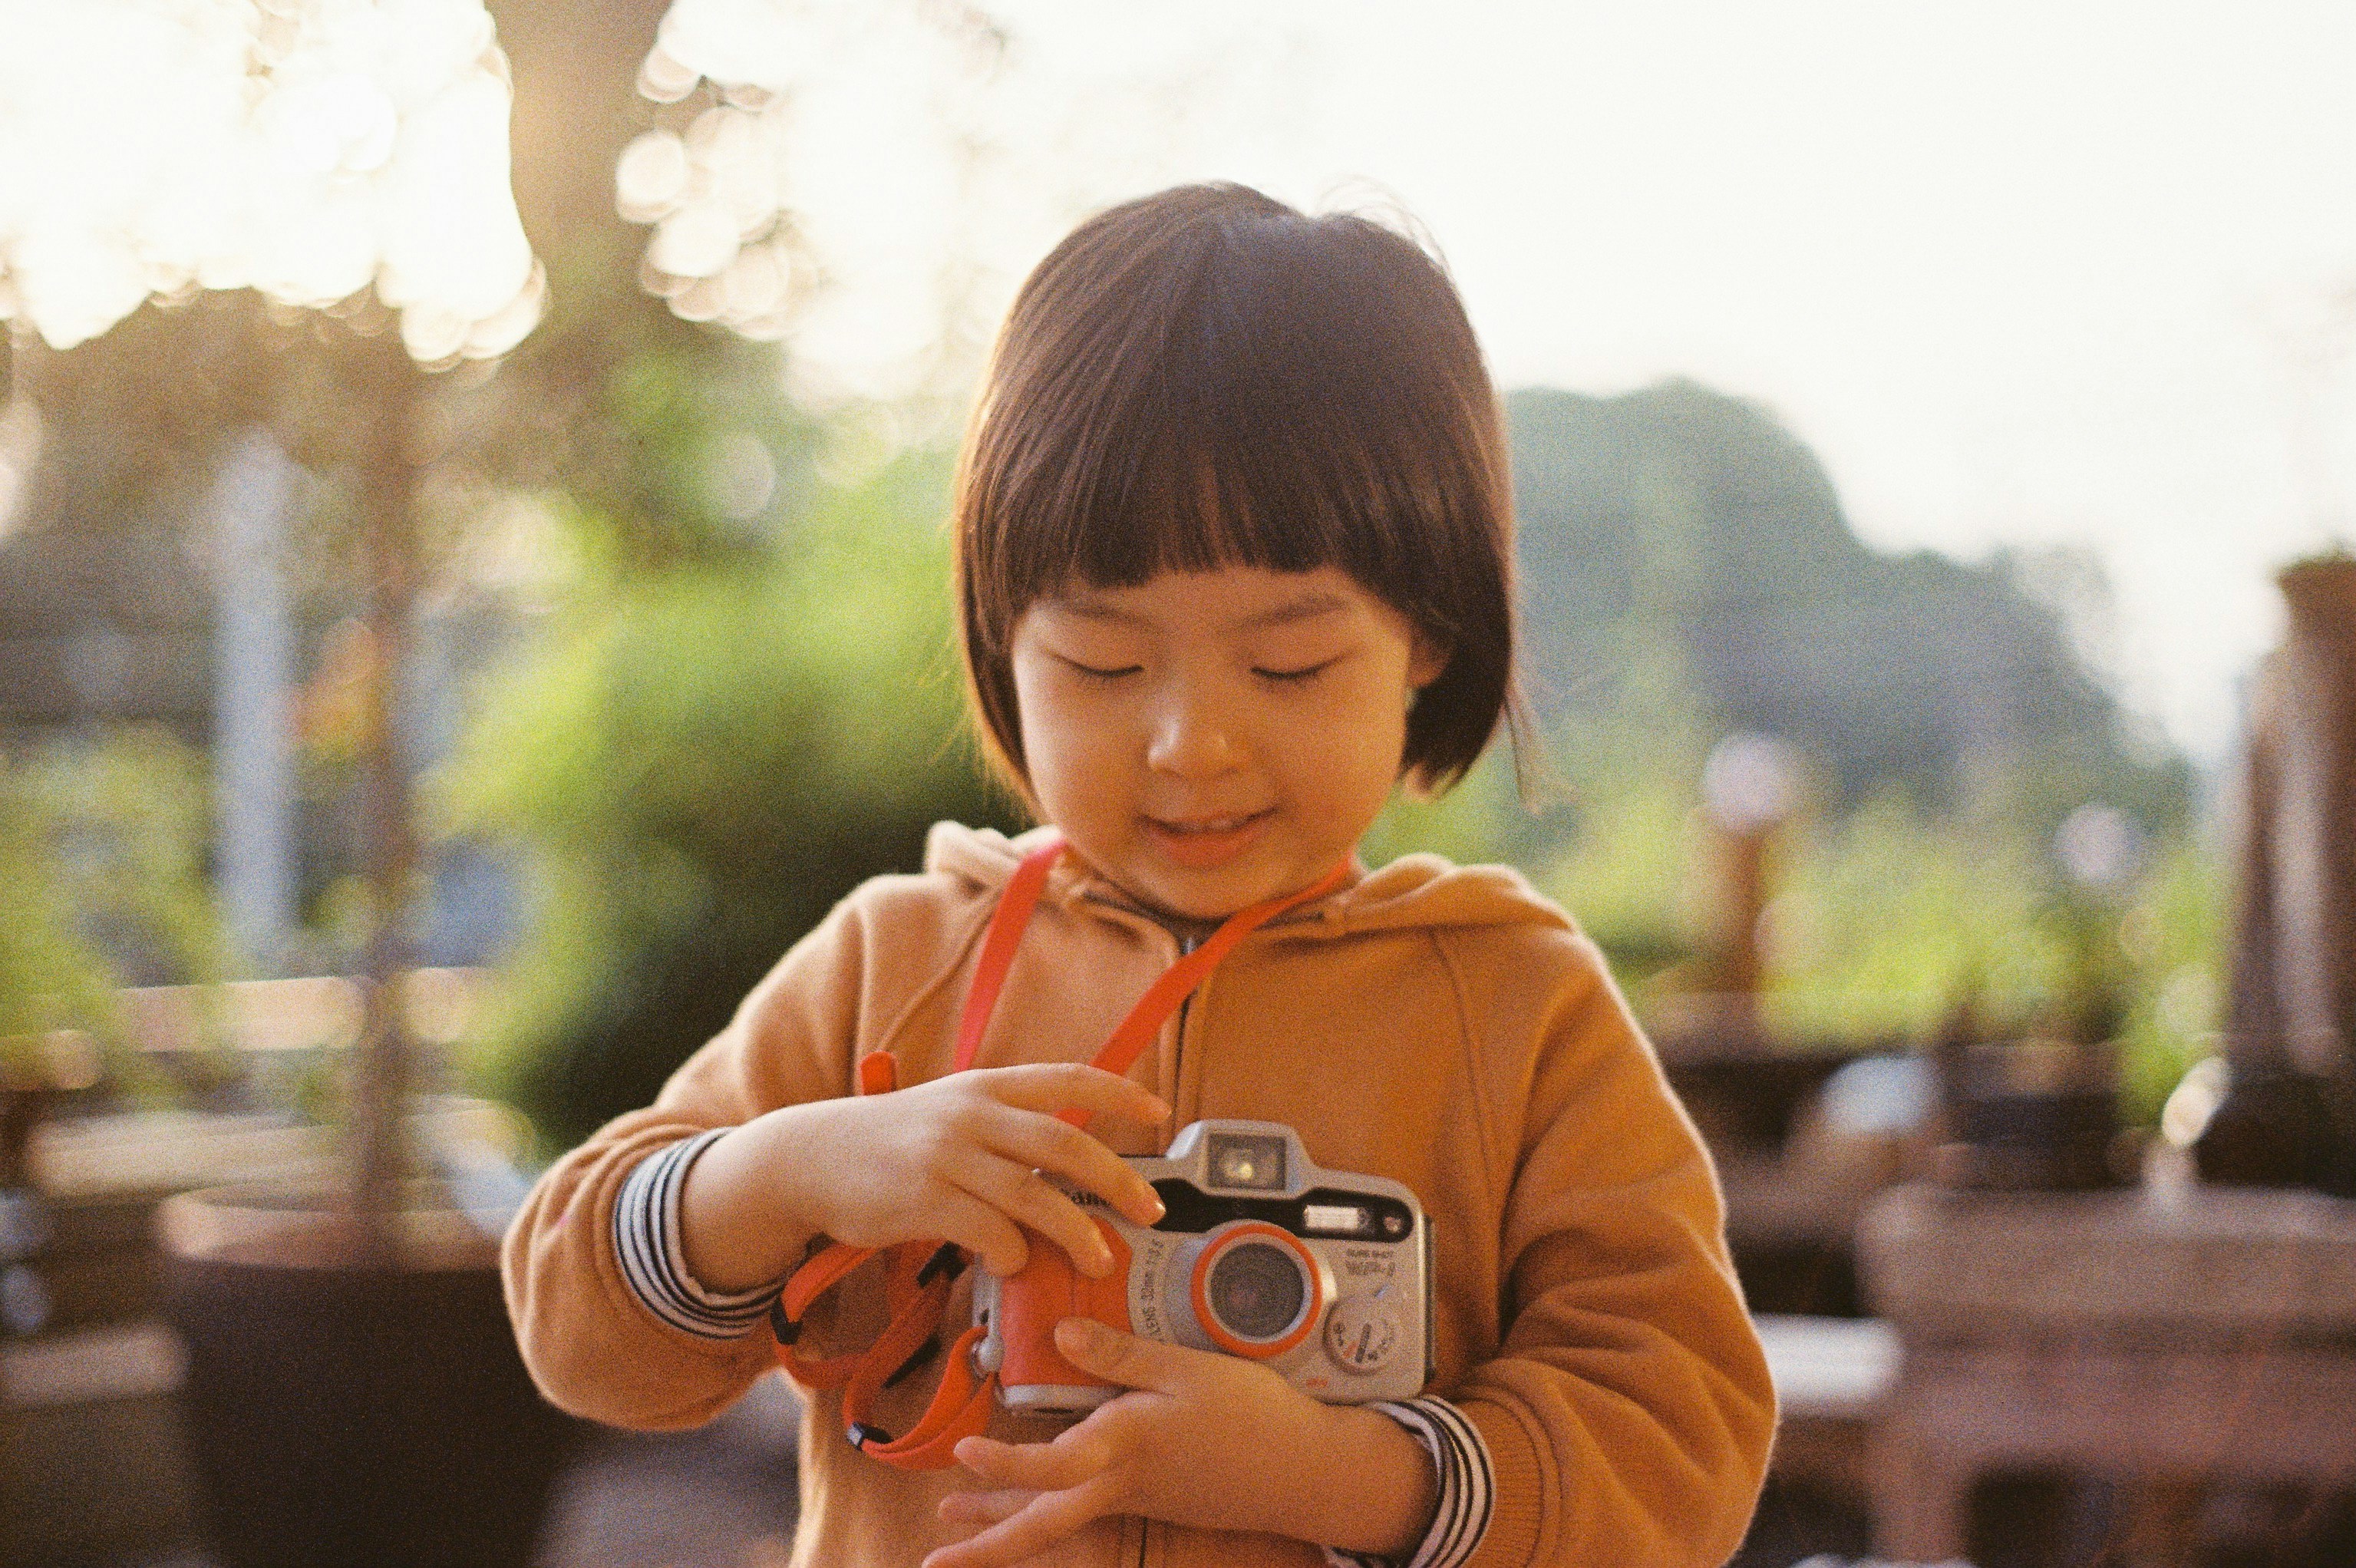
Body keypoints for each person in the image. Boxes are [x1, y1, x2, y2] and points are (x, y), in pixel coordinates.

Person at [504, 182, 1774, 1568]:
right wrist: (783, 1173)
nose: (1190, 744)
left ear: (1425, 638)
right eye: (1102, 663)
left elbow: (1681, 1443)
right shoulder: (896, 961)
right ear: (1003, 640)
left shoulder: (1515, 1007)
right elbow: (579, 1336)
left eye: (1288, 664)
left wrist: (1339, 1480)